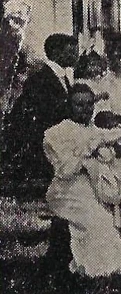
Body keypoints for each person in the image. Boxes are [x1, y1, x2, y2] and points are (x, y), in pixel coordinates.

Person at [43, 83, 121, 278]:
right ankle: (101, 268)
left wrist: (112, 147)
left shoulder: (97, 130)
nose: (86, 109)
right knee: (100, 220)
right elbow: (65, 169)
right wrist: (89, 151)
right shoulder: (57, 133)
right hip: (69, 188)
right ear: (69, 106)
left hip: (101, 184)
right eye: (79, 105)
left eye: (89, 104)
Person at [2, 33, 78, 275]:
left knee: (67, 198)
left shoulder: (65, 77)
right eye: (71, 50)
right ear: (56, 52)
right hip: (51, 149)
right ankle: (58, 254)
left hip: (66, 148)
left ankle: (63, 250)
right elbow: (31, 117)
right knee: (59, 197)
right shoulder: (41, 80)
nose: (75, 55)